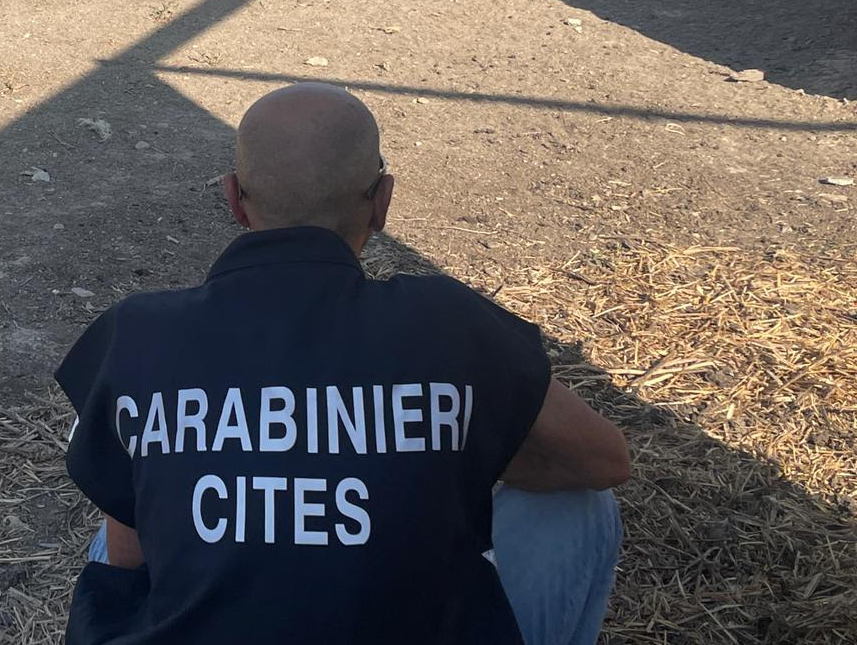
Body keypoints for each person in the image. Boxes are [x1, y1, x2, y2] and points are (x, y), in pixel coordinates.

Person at [56, 83, 630, 645]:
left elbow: (130, 560)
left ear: (234, 199)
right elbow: (604, 461)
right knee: (583, 504)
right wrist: (443, 462)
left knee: (127, 504)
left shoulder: (140, 335)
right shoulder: (446, 324)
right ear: (382, 202)